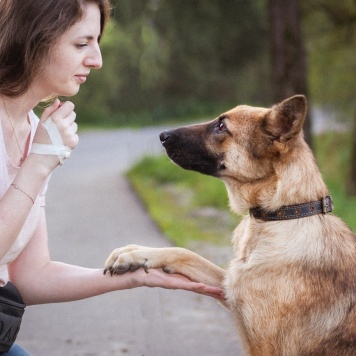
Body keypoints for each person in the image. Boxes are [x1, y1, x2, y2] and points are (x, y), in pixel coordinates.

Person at [0, 0, 223, 354]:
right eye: (81, 43)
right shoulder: (42, 146)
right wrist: (38, 165)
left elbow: (30, 276)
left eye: (97, 42)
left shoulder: (34, 131)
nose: (96, 60)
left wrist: (133, 276)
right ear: (34, 38)